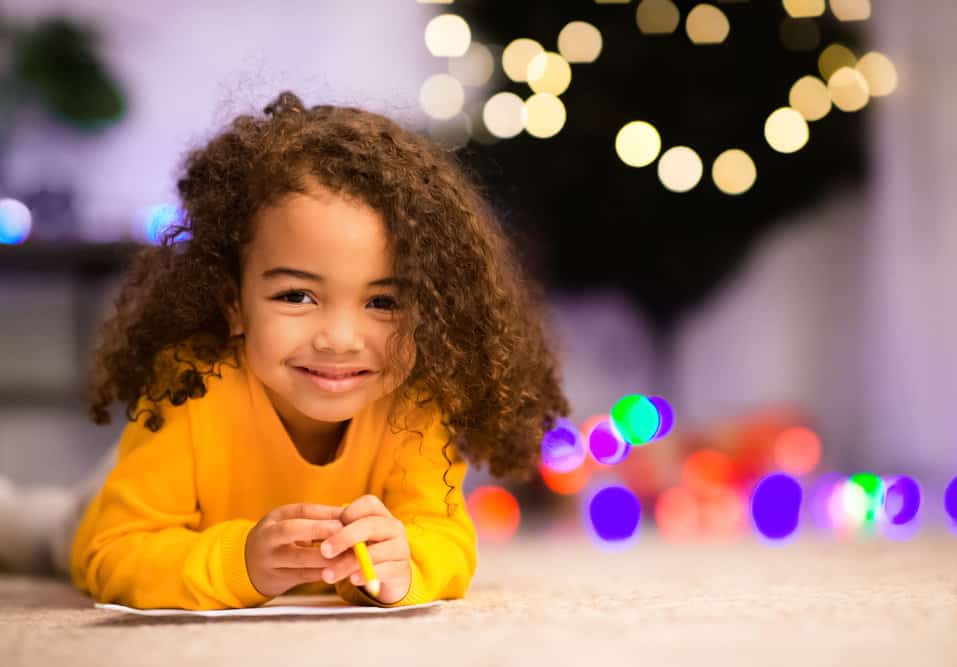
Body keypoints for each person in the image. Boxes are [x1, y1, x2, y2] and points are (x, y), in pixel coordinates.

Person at [0, 91, 569, 610]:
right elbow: (114, 553)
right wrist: (241, 560)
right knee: (41, 534)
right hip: (126, 501)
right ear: (233, 304)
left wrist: (406, 561)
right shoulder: (193, 386)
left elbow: (445, 538)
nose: (340, 339)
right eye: (297, 295)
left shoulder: (415, 403)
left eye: (384, 303)